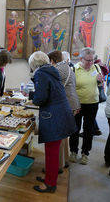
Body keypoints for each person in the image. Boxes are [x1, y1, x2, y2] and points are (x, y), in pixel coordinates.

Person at [29, 51, 76, 193]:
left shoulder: (40, 73)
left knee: (51, 151)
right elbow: (50, 91)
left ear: (34, 63)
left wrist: (33, 99)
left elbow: (41, 97)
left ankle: (50, 184)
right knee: (52, 150)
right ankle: (51, 175)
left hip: (54, 115)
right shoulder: (51, 70)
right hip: (61, 113)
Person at [48, 50, 80, 172]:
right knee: (64, 136)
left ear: (52, 60)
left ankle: (58, 165)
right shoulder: (67, 68)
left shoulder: (58, 69)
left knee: (58, 136)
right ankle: (64, 160)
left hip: (65, 104)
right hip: (71, 104)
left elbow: (52, 88)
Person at [69, 47, 103, 165]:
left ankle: (85, 153)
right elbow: (70, 89)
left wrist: (100, 81)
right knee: (75, 129)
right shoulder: (74, 69)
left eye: (92, 60)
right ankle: (73, 151)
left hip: (93, 104)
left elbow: (99, 85)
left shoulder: (96, 67)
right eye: (88, 60)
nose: (91, 63)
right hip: (77, 105)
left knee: (89, 130)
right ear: (81, 59)